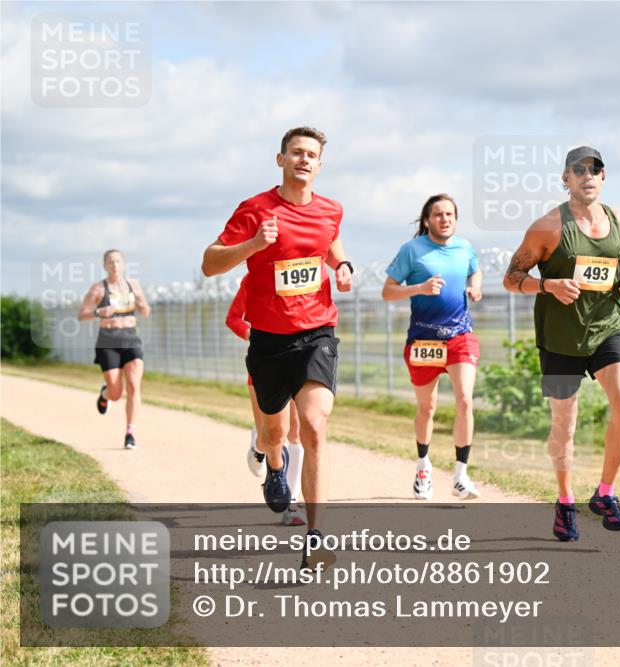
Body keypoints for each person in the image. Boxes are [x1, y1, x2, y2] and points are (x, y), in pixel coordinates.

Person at [202, 127, 351, 569]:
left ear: (320, 165)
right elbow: (209, 263)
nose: (304, 160)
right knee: (273, 434)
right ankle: (272, 464)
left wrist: (341, 265)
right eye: (296, 153)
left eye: (312, 155)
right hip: (268, 340)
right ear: (280, 159)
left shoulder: (331, 210)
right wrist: (253, 244)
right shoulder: (255, 210)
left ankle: (316, 536)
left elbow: (329, 244)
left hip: (317, 332)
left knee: (314, 424)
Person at [502, 147, 620, 542]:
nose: (587, 176)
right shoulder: (547, 227)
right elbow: (511, 279)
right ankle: (564, 501)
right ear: (565, 179)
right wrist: (547, 284)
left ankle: (606, 493)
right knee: (565, 424)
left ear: (603, 176)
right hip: (560, 337)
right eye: (578, 170)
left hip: (608, 328)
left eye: (594, 169)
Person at [381, 194, 483, 501]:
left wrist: (475, 285)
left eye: (450, 214)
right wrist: (420, 289)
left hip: (459, 336)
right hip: (424, 341)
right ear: (427, 220)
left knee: (465, 400)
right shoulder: (412, 251)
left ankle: (461, 475)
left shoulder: (464, 247)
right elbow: (387, 292)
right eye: (438, 214)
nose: (445, 219)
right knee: (427, 408)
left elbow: (474, 269)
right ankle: (423, 467)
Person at [226, 274, 306, 527]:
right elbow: (233, 319)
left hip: (298, 359)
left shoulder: (298, 274)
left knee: (296, 431)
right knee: (271, 436)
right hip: (264, 364)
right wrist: (258, 337)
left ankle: (290, 502)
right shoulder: (253, 280)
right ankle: (258, 447)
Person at [78, 249, 151, 450]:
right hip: (108, 341)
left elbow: (145, 311)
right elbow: (81, 314)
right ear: (105, 266)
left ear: (124, 264)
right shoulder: (99, 289)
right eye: (110, 262)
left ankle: (130, 433)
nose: (115, 265)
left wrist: (142, 303)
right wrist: (98, 312)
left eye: (118, 261)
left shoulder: (133, 285)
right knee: (116, 393)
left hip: (131, 339)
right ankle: (105, 394)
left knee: (134, 386)